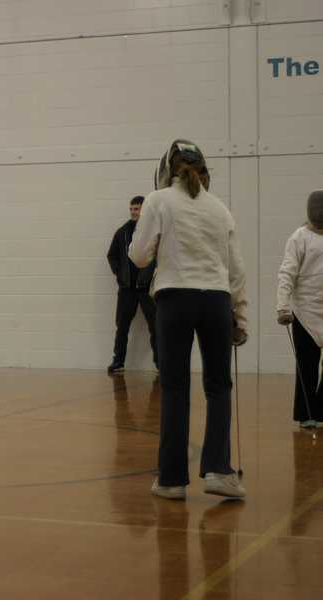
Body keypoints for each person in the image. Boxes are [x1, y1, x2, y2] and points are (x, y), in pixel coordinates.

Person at [129, 139, 248, 500]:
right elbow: (236, 270)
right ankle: (219, 472)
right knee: (219, 386)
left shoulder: (158, 200)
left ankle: (171, 481)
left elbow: (138, 256)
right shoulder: (220, 208)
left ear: (168, 169)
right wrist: (240, 317)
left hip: (175, 299)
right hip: (217, 301)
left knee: (175, 387)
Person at [276, 190, 323, 429]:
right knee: (307, 366)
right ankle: (306, 415)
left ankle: (321, 410)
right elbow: (287, 273)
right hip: (304, 312)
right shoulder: (299, 237)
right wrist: (283, 306)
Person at [106, 195, 158, 373]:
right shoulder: (122, 232)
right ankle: (118, 362)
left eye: (137, 208)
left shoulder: (153, 232)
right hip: (127, 289)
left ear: (144, 210)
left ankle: (160, 363)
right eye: (131, 209)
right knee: (122, 327)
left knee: (156, 326)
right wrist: (119, 273)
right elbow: (112, 255)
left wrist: (154, 275)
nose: (133, 212)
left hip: (147, 289)